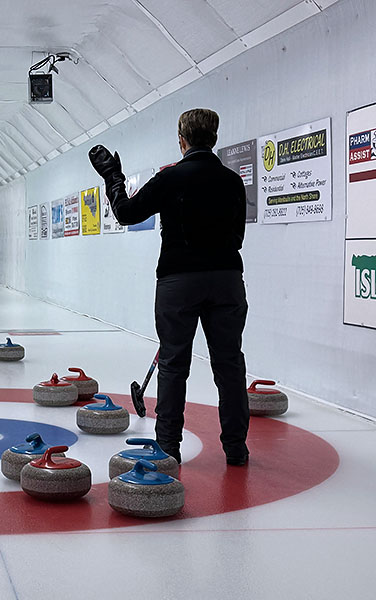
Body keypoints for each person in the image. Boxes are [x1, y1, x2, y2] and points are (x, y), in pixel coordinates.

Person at [89, 108, 249, 466]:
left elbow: (127, 213)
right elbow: (238, 235)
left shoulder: (170, 178)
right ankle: (236, 448)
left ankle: (168, 447)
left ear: (182, 141)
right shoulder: (232, 181)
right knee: (230, 364)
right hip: (226, 279)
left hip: (179, 281)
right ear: (214, 138)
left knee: (174, 364)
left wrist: (113, 177)